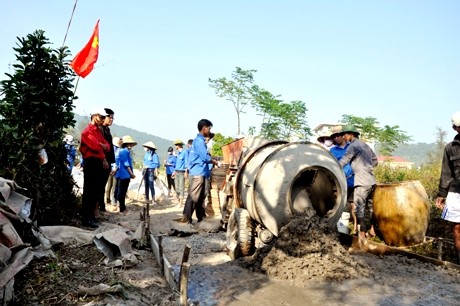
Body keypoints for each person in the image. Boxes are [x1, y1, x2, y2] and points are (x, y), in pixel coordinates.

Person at [338, 124, 378, 239]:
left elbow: (345, 159)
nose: (344, 137)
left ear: (351, 134)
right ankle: (372, 232)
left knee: (358, 208)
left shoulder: (353, 146)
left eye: (344, 134)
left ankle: (361, 235)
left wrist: (335, 168)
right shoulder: (365, 145)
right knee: (370, 208)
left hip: (361, 181)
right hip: (371, 181)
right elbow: (375, 161)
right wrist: (366, 168)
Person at [179, 119, 220, 224]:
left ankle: (201, 217)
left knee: (201, 196)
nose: (209, 130)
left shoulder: (199, 141)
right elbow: (205, 157)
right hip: (198, 172)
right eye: (209, 128)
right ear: (204, 128)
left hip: (202, 171)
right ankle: (186, 217)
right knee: (194, 196)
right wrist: (215, 161)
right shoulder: (199, 141)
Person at [435, 111, 460, 264]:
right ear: (455, 128)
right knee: (457, 228)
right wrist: (441, 193)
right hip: (457, 192)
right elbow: (447, 172)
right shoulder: (450, 148)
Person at [79, 107, 110, 228]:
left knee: (95, 190)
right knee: (89, 190)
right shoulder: (87, 132)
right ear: (95, 116)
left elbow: (107, 146)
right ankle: (86, 218)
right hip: (91, 161)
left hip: (97, 161)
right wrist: (102, 146)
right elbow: (95, 147)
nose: (103, 119)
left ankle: (91, 217)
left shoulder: (97, 131)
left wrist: (102, 147)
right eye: (101, 117)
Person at [330, 125, 357, 234]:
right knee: (339, 205)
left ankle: (356, 228)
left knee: (355, 205)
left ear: (343, 136)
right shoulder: (332, 150)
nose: (336, 138)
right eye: (334, 136)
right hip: (340, 182)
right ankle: (339, 229)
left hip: (353, 180)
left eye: (338, 135)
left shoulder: (352, 147)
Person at [98, 108, 115, 213]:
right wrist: (104, 159)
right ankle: (99, 207)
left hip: (107, 162)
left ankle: (101, 207)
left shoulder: (107, 130)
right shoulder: (100, 130)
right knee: (99, 186)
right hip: (101, 162)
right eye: (110, 117)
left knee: (102, 186)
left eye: (113, 118)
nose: (112, 120)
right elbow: (100, 147)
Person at [115, 135, 137, 215]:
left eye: (131, 143)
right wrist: (131, 173)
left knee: (121, 192)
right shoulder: (125, 152)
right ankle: (122, 209)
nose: (130, 145)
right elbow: (126, 164)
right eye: (129, 143)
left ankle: (121, 207)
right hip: (124, 174)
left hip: (123, 174)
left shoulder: (123, 151)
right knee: (122, 192)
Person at [105, 136, 122, 207]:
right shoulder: (119, 151)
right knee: (113, 186)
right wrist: (115, 169)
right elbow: (118, 162)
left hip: (110, 169)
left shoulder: (109, 150)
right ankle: (112, 201)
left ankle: (107, 199)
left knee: (109, 185)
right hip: (115, 170)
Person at [172, 139, 187, 205]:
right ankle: (178, 200)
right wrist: (174, 171)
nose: (175, 146)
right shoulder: (178, 154)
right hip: (177, 172)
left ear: (179, 145)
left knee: (181, 187)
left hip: (182, 172)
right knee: (177, 187)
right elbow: (177, 164)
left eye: (176, 145)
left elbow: (186, 163)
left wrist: (186, 172)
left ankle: (181, 202)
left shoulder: (184, 152)